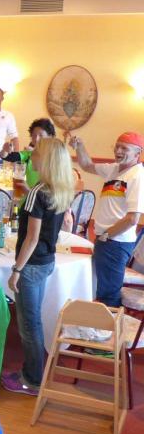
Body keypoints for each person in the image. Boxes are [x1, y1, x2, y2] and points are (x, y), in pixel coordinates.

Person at [2, 138, 74, 395]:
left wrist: (16, 270)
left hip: (31, 265)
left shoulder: (37, 192)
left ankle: (32, 379)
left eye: (36, 154)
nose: (31, 157)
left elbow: (31, 238)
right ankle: (35, 373)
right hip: (46, 261)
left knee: (28, 325)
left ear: (47, 160)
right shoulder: (61, 190)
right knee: (34, 321)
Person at [70, 131, 144, 307]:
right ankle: (103, 321)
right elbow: (87, 165)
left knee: (109, 294)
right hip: (107, 239)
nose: (118, 151)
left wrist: (107, 235)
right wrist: (79, 146)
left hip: (116, 242)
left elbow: (133, 218)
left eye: (124, 148)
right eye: (116, 147)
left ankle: (110, 323)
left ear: (138, 153)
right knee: (102, 289)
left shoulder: (137, 176)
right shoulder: (114, 169)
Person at [0, 117, 56, 191]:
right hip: (28, 196)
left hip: (42, 197)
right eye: (34, 135)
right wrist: (5, 150)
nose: (36, 139)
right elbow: (7, 156)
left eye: (41, 135)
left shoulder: (55, 157)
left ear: (50, 137)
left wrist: (29, 191)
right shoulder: (28, 154)